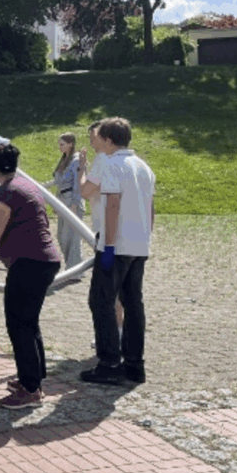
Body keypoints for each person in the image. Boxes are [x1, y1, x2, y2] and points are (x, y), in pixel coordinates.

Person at [0, 143, 62, 409]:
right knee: (28, 322)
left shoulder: (5, 194)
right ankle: (34, 379)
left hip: (29, 263)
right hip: (45, 260)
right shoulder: (28, 187)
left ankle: (30, 390)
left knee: (19, 324)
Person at [79, 117, 155, 385]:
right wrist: (146, 238)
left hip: (117, 244)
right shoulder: (143, 166)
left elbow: (112, 204)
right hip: (138, 244)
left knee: (101, 301)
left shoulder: (112, 164)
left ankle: (109, 363)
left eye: (100, 137)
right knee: (133, 303)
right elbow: (151, 208)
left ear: (109, 140)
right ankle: (134, 364)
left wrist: (109, 246)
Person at [80, 120, 124, 333]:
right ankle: (120, 330)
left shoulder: (102, 160)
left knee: (103, 293)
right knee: (122, 289)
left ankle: (110, 336)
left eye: (94, 138)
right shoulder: (122, 161)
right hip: (124, 231)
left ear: (105, 138)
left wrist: (81, 170)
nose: (92, 143)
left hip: (106, 232)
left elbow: (85, 191)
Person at [52, 132, 83, 273]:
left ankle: (75, 271)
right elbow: (58, 183)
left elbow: (78, 184)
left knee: (72, 238)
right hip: (62, 200)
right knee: (62, 237)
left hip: (72, 200)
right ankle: (72, 268)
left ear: (71, 144)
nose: (60, 147)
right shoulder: (64, 160)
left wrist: (75, 205)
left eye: (62, 144)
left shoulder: (76, 160)